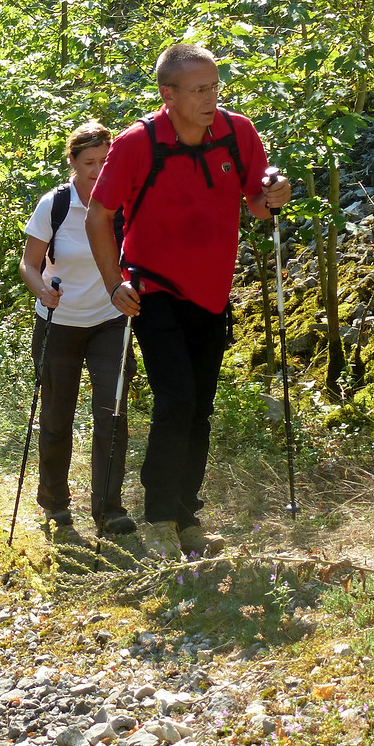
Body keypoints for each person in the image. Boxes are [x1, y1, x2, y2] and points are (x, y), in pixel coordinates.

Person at [86, 43, 291, 559]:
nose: (211, 97)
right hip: (153, 290)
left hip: (212, 292)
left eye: (215, 86)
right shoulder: (137, 143)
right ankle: (159, 516)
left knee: (199, 407)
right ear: (168, 94)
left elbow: (259, 205)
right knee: (176, 400)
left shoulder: (238, 133)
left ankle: (186, 517)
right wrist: (115, 282)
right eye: (199, 89)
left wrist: (276, 195)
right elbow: (98, 215)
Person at [19, 120, 137, 537]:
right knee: (56, 417)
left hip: (110, 321)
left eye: (105, 161)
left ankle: (109, 508)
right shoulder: (55, 205)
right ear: (72, 162)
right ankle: (54, 501)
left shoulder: (122, 202)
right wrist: (41, 290)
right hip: (59, 323)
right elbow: (29, 264)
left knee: (114, 415)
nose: (98, 170)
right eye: (89, 162)